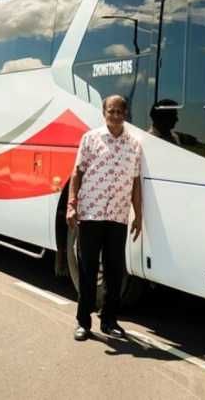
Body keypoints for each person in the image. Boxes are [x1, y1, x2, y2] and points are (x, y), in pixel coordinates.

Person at [67, 95, 143, 341]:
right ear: (104, 112)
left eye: (120, 111)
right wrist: (71, 205)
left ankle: (109, 320)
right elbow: (76, 173)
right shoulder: (90, 139)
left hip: (118, 216)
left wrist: (138, 214)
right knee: (88, 270)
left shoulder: (134, 144)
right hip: (91, 213)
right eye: (112, 111)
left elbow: (135, 182)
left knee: (114, 271)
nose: (116, 115)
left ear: (126, 113)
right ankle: (83, 322)